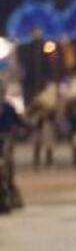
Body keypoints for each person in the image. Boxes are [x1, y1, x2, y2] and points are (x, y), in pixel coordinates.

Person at [0, 82, 24, 213]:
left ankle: (8, 198)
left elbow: (19, 122)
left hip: (6, 140)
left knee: (7, 169)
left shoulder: (8, 107)